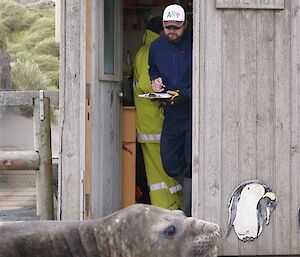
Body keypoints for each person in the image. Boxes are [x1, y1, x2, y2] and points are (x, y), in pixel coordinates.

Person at [132, 10, 183, 210]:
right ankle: (169, 212)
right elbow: (148, 85)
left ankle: (167, 212)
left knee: (159, 177)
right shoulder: (152, 51)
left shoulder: (147, 50)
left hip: (151, 125)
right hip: (155, 125)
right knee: (164, 175)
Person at [148, 4, 192, 216]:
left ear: (185, 25)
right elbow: (153, 69)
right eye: (168, 27)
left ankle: (191, 209)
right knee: (170, 162)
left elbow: (205, 76)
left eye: (176, 27)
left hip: (193, 112)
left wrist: (185, 94)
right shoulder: (156, 47)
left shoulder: (195, 43)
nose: (172, 31)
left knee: (192, 162)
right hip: (171, 113)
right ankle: (190, 193)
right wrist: (154, 83)